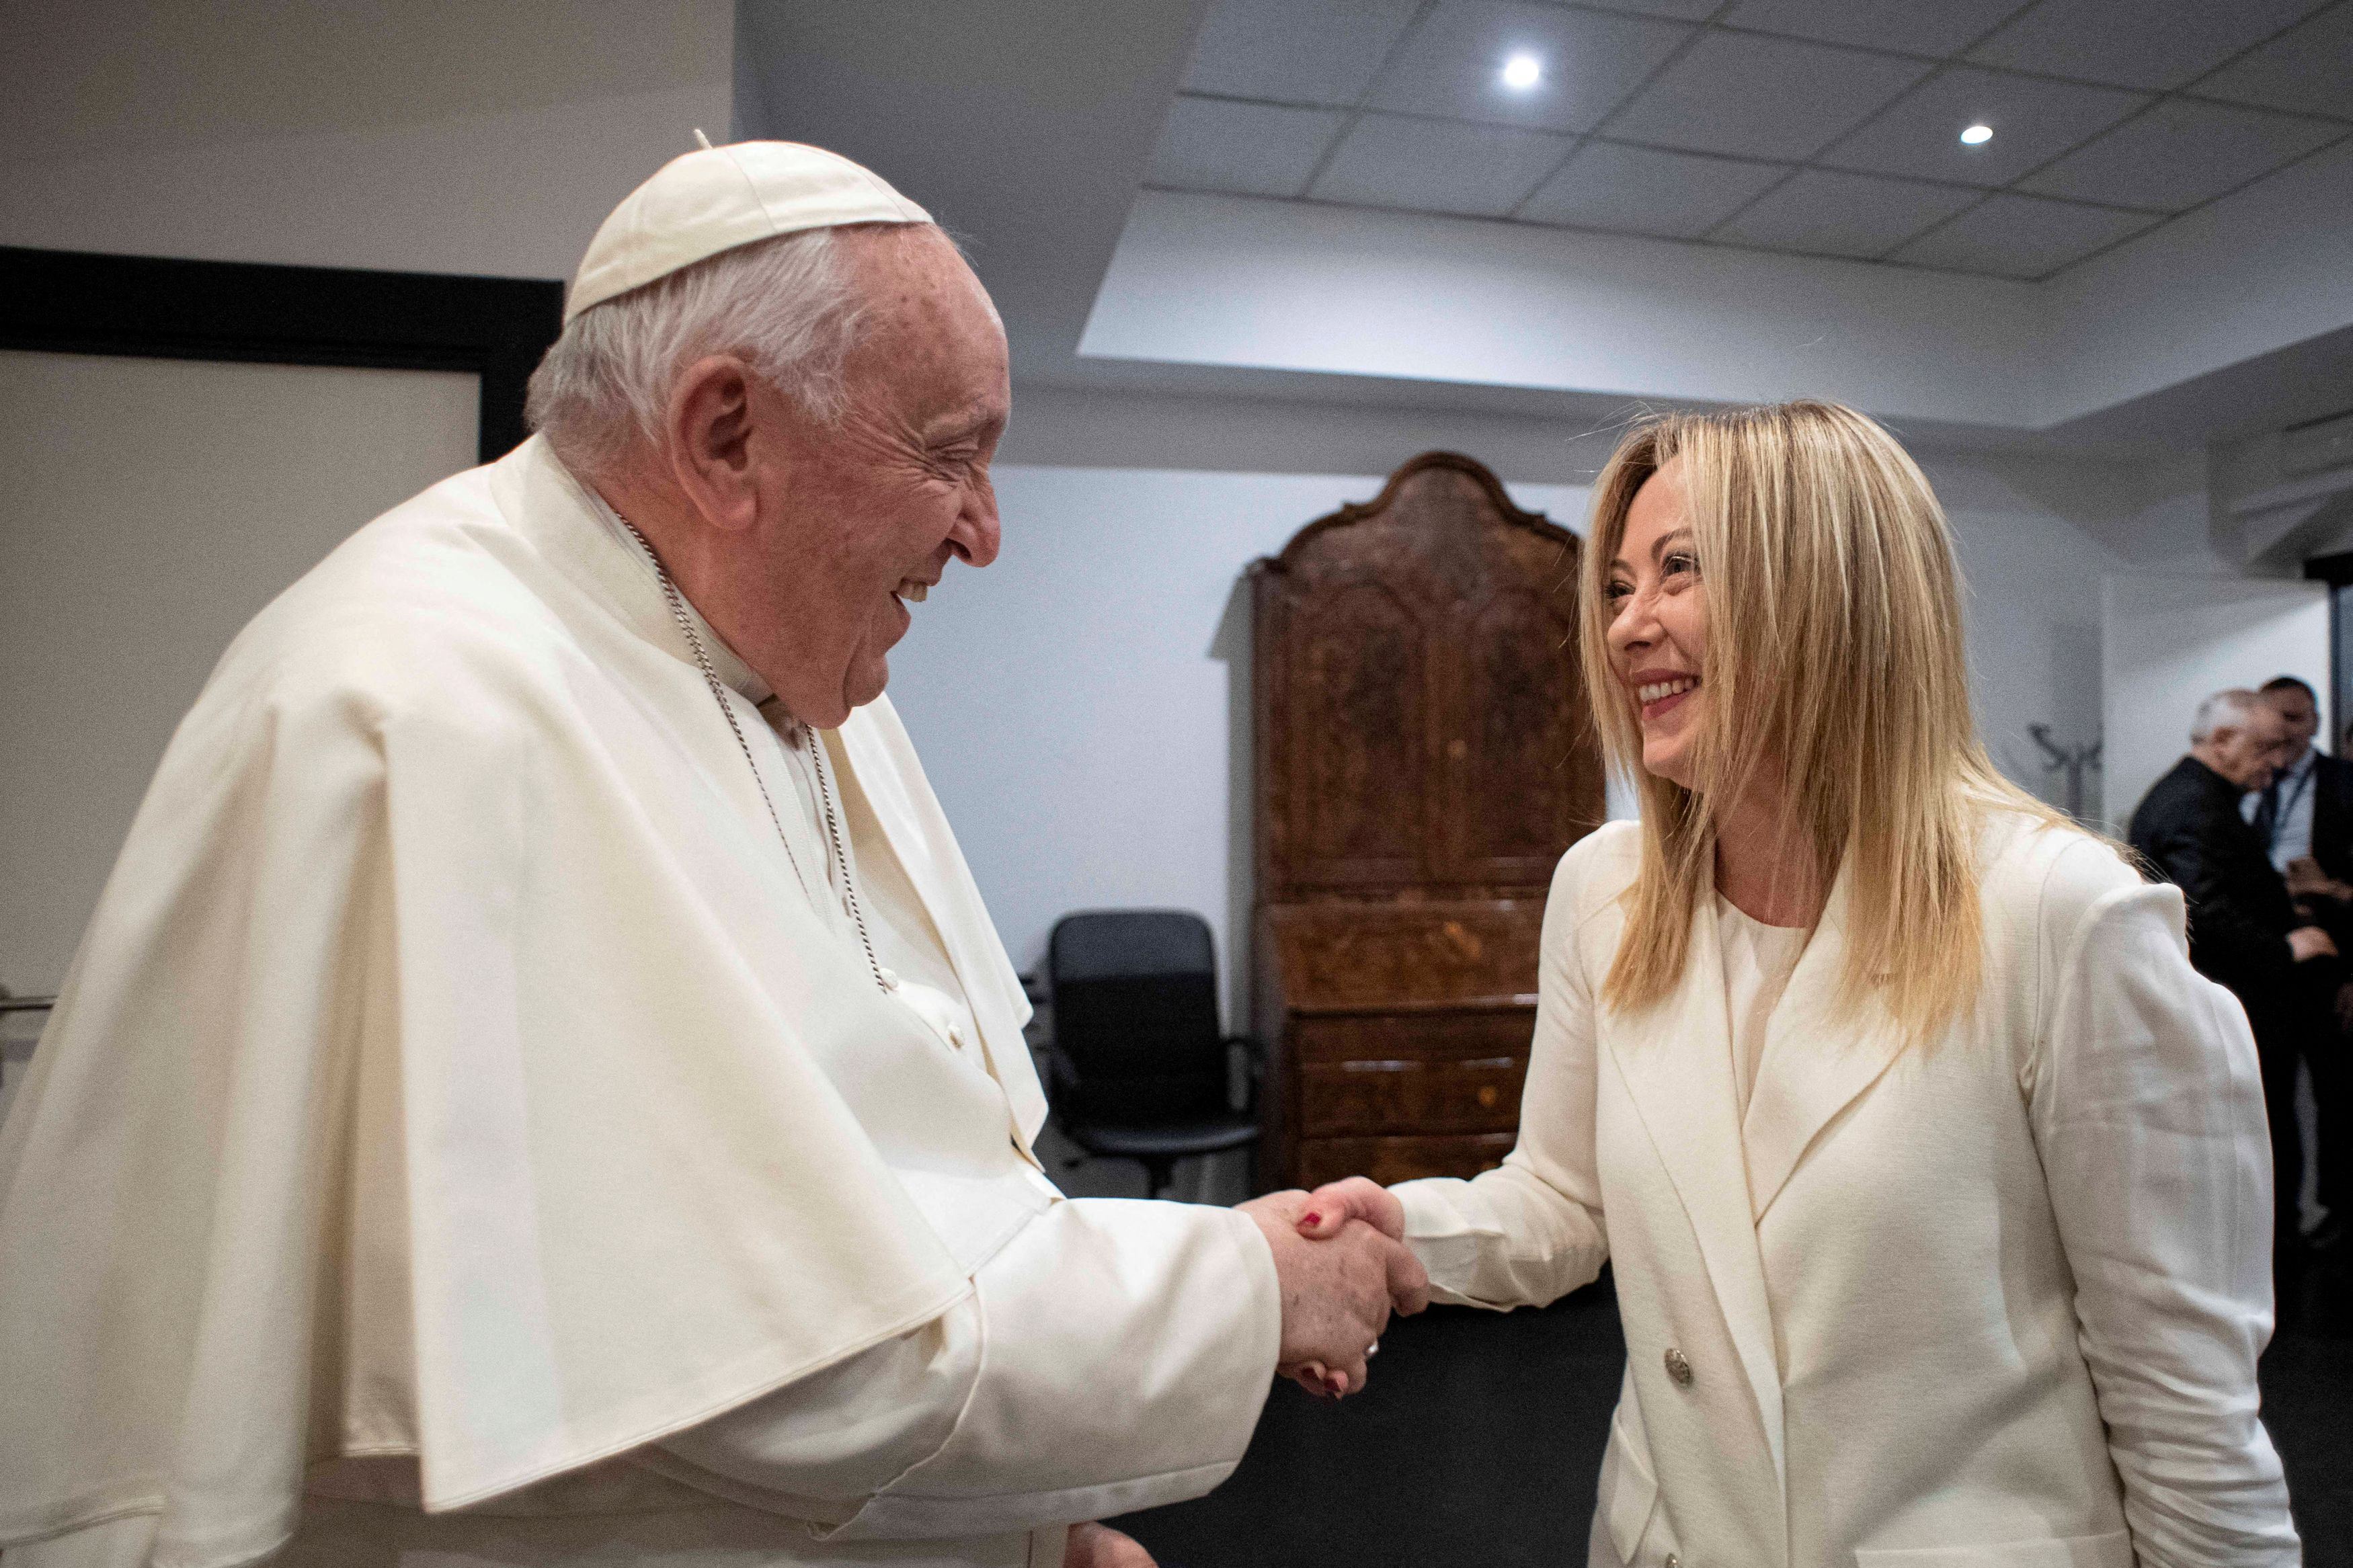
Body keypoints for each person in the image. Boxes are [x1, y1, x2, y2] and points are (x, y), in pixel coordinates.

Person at [0, 140, 1425, 1568]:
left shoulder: (776, 652)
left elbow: (916, 1181)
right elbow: (754, 1359)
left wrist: (1036, 1526)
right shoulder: (433, 703)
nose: (986, 533)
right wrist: (1249, 1287)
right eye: (950, 453)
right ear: (725, 433)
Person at [1296, 401, 2297, 1565]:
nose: (1627, 626)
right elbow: (1565, 1201)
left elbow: (2189, 1412)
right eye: (1619, 586)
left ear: (1832, 593)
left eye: (1680, 570)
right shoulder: (1607, 890)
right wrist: (1399, 1227)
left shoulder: (2065, 915)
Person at [2132, 686, 2337, 1267]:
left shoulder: (2197, 796)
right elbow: (2205, 908)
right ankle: (2271, 1257)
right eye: (2265, 748)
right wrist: (2286, 946)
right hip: (2233, 1002)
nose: (2275, 762)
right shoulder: (2197, 804)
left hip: (2232, 1001)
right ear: (2222, 740)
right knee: (2250, 1138)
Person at [2252, 674, 2353, 1248]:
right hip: (2264, 962)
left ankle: (2340, 1216)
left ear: (2315, 722)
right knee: (2267, 1092)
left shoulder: (2343, 783)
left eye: (2298, 718)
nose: (2286, 732)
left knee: (2337, 1093)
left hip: (2329, 959)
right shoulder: (2240, 779)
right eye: (2276, 718)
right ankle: (2279, 1220)